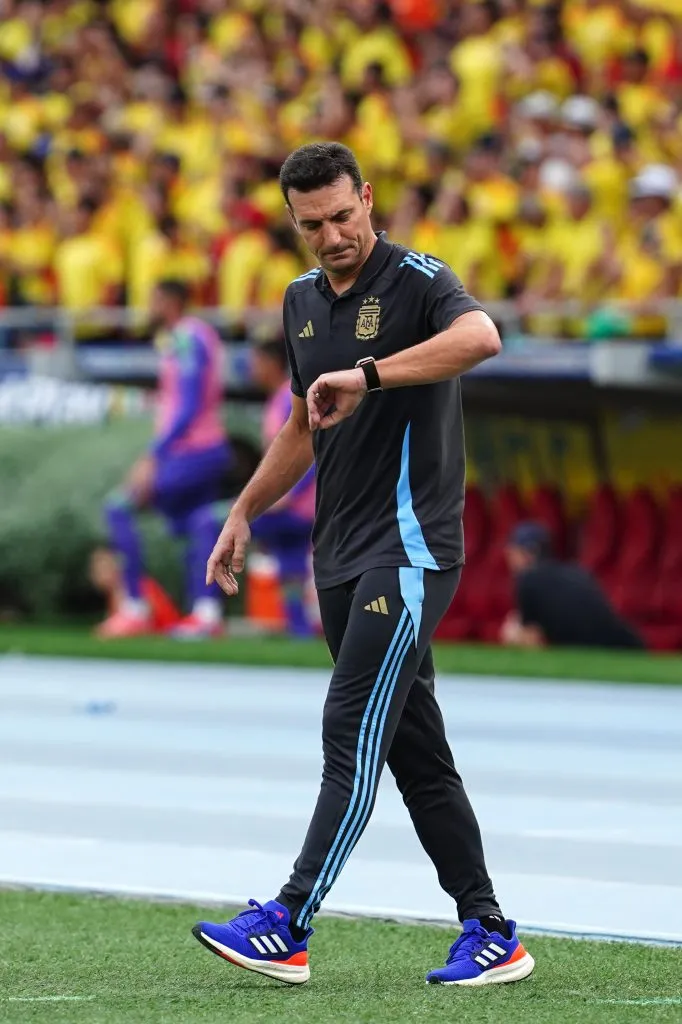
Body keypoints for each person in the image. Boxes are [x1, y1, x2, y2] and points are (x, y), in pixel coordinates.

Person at [192, 142, 535, 988]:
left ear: (368, 199)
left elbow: (482, 336)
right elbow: (308, 423)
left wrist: (372, 373)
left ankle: (291, 918)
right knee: (416, 755)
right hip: (337, 557)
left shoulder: (419, 280)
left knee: (349, 730)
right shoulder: (301, 300)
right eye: (313, 224)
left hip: (410, 551)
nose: (333, 235)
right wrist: (245, 510)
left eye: (344, 215)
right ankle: (492, 930)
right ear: (293, 222)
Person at [99, 279, 230, 639]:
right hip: (209, 449)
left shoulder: (187, 336)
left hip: (192, 452)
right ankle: (206, 614)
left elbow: (188, 406)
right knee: (198, 526)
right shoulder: (193, 337)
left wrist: (153, 456)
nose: (149, 307)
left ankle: (135, 607)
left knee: (119, 506)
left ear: (169, 301)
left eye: (154, 299)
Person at [250, 335, 316, 637]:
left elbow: (313, 452)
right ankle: (299, 630)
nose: (251, 369)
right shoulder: (280, 399)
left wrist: (287, 495)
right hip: (304, 507)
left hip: (295, 507)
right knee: (290, 565)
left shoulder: (288, 399)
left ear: (272, 363)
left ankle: (205, 613)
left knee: (209, 524)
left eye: (256, 362)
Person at [501, 521, 645, 650]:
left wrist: (513, 635)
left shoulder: (528, 580)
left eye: (513, 552)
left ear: (528, 554)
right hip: (629, 645)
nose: (509, 559)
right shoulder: (575, 572)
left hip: (603, 654)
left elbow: (531, 642)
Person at [89, 545, 181, 633]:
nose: (98, 575)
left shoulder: (137, 587)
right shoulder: (113, 594)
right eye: (96, 571)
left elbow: (149, 617)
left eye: (102, 569)